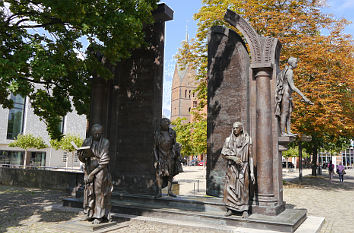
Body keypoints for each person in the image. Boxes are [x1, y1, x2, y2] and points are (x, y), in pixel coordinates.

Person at [78, 124, 113, 224]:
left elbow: (104, 161)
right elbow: (83, 159)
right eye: (95, 134)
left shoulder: (105, 142)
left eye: (99, 133)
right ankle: (89, 213)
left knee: (99, 192)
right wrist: (81, 156)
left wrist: (92, 174)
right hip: (89, 167)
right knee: (89, 191)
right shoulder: (87, 141)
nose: (97, 135)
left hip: (100, 169)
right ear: (91, 133)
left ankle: (99, 215)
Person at [221, 122, 255, 218]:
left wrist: (252, 172)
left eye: (236, 128)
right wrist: (233, 158)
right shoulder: (228, 140)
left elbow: (251, 157)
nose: (235, 129)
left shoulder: (248, 140)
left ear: (241, 129)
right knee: (230, 188)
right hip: (232, 168)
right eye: (233, 128)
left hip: (244, 167)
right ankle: (230, 208)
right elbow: (223, 154)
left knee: (244, 189)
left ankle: (244, 210)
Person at [275, 57, 313, 136]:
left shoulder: (286, 71)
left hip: (288, 94)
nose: (297, 64)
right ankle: (282, 132)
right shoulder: (289, 71)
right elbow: (292, 87)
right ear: (292, 63)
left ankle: (288, 131)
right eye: (296, 62)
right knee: (285, 113)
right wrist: (303, 96)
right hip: (286, 94)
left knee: (289, 113)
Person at [153, 118, 182, 198]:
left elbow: (174, 144)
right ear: (161, 125)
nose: (167, 125)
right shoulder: (157, 133)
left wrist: (177, 153)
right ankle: (159, 192)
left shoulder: (172, 132)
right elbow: (155, 148)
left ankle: (169, 191)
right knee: (159, 174)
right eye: (165, 124)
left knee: (170, 173)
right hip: (161, 155)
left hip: (170, 155)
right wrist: (156, 159)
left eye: (168, 124)